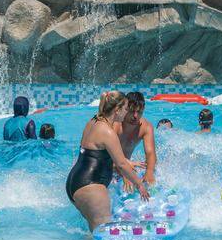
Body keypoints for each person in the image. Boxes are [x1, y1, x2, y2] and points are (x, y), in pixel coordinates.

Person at [65, 91, 150, 231]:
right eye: (126, 109)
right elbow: (121, 165)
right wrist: (139, 185)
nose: (127, 112)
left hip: (75, 182)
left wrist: (128, 162)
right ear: (117, 110)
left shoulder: (94, 121)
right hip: (91, 187)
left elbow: (97, 154)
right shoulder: (108, 132)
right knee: (103, 239)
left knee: (93, 236)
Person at [114, 92, 157, 188]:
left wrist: (149, 173)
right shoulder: (115, 125)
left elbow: (150, 153)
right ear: (124, 109)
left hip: (125, 166)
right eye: (132, 111)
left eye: (139, 112)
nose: (135, 116)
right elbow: (107, 155)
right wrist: (125, 172)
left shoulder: (146, 127)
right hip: (108, 164)